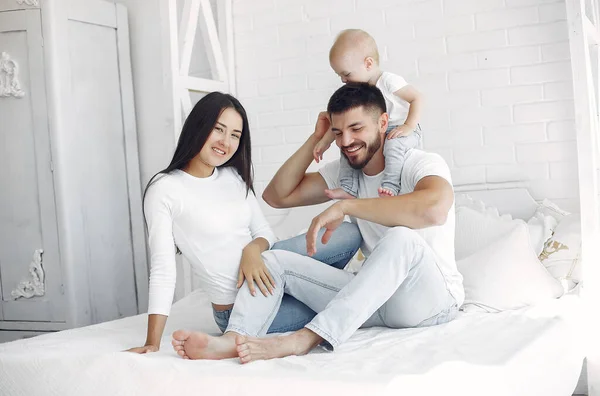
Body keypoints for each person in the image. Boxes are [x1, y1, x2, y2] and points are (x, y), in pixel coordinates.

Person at [172, 83, 463, 363]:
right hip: (373, 300)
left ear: (383, 122)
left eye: (356, 128)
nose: (346, 142)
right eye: (338, 132)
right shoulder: (347, 171)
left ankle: (304, 339)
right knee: (274, 260)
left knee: (402, 239)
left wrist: (347, 205)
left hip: (429, 300)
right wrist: (316, 138)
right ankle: (233, 339)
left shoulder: (420, 162)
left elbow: (434, 209)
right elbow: (277, 195)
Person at [126, 92, 361, 355]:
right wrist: (152, 343)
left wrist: (251, 251)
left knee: (349, 233)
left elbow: (264, 235)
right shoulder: (165, 189)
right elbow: (163, 269)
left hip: (271, 270)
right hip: (239, 305)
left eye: (235, 135)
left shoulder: (234, 177)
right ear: (198, 126)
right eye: (218, 129)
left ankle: (318, 284)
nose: (225, 142)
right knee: (341, 299)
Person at [313, 29, 424, 199]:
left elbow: (417, 98)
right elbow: (342, 126)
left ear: (368, 64)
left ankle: (391, 185)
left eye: (346, 74)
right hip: (379, 131)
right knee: (347, 144)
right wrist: (324, 141)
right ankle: (348, 187)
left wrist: (408, 126)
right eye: (339, 75)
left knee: (393, 146)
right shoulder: (358, 91)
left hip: (402, 129)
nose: (343, 80)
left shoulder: (388, 81)